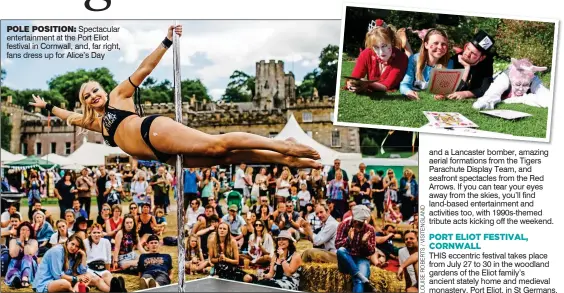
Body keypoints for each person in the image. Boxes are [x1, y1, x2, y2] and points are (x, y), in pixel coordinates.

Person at [29, 25, 320, 171]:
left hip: (153, 131)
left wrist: (166, 41)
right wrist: (46, 108)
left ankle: (283, 144)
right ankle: (285, 160)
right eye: (86, 95)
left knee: (217, 143)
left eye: (95, 90)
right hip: (162, 155)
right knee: (223, 156)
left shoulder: (119, 94)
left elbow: (145, 68)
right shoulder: (97, 124)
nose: (92, 96)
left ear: (104, 91)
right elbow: (68, 116)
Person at [346, 19, 408, 93]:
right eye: (376, 47)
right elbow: (355, 77)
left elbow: (387, 85)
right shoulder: (366, 53)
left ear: (391, 41)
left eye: (384, 46)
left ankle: (406, 45)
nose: (381, 52)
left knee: (411, 57)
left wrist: (366, 84)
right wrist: (351, 84)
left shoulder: (401, 58)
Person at [399, 28, 453, 100]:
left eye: (443, 44)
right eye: (435, 43)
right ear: (426, 45)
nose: (440, 47)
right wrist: (408, 91)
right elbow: (405, 84)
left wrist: (441, 94)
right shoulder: (414, 59)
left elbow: (444, 89)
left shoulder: (449, 63)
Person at [335, 205, 377, 293]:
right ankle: (360, 275)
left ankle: (359, 277)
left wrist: (364, 243)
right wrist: (348, 240)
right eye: (356, 221)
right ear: (353, 216)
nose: (357, 224)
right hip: (346, 259)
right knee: (341, 251)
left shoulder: (369, 229)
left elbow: (371, 251)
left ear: (364, 220)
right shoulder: (343, 225)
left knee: (359, 281)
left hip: (361, 258)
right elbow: (337, 245)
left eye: (360, 222)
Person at [446, 30, 495, 100]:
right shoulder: (454, 61)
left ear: (482, 58)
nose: (467, 54)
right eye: (468, 48)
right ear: (465, 46)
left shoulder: (486, 65)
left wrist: (465, 94)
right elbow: (450, 89)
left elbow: (485, 89)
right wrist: (466, 68)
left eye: (473, 54)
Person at [84, 223, 123, 293]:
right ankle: (114, 291)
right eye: (94, 232)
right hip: (90, 269)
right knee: (99, 280)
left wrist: (108, 272)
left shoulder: (106, 242)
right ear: (90, 233)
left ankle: (119, 287)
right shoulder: (85, 242)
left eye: (98, 232)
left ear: (102, 233)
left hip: (102, 268)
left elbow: (108, 260)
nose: (96, 235)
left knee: (107, 276)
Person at [4, 222, 38, 288]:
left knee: (26, 257)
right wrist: (20, 241)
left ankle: (25, 278)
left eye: (27, 230)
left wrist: (25, 241)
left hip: (29, 264)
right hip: (16, 263)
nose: (25, 232)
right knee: (15, 268)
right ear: (19, 231)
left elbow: (28, 253)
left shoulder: (34, 241)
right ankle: (16, 279)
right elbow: (14, 254)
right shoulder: (13, 241)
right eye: (23, 229)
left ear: (30, 232)